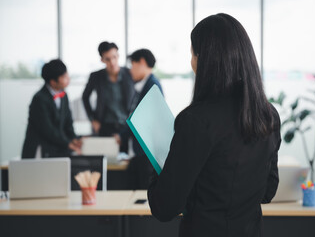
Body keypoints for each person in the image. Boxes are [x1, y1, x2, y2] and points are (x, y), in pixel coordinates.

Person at [147, 13, 281, 237]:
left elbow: (164, 207)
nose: (191, 62)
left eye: (192, 54)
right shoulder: (268, 114)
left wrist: (157, 160)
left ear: (205, 59)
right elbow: (267, 191)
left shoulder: (196, 120)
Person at [22, 59, 82, 158]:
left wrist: (73, 139)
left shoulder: (64, 95)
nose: (68, 79)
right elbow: (48, 130)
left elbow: (68, 122)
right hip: (39, 150)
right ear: (53, 82)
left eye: (67, 75)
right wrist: (67, 143)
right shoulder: (39, 99)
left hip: (57, 148)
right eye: (64, 77)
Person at [82, 41, 134, 151]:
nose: (112, 62)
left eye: (114, 57)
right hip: (103, 125)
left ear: (118, 56)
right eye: (108, 59)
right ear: (102, 60)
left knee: (123, 159)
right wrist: (93, 119)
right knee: (104, 158)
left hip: (124, 125)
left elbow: (136, 97)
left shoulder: (129, 74)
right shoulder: (96, 76)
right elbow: (85, 97)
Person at [126, 48, 163, 189]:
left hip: (146, 152)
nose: (131, 70)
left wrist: (122, 135)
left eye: (132, 65)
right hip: (141, 152)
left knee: (143, 194)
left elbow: (139, 117)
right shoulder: (146, 85)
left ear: (141, 62)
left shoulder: (152, 85)